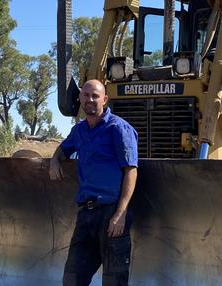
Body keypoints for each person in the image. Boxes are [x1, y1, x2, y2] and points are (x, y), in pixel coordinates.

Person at [49, 79, 138, 286]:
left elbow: (131, 171)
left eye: (95, 96)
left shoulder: (119, 128)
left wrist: (121, 213)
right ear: (80, 98)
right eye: (86, 95)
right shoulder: (79, 131)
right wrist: (54, 160)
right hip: (86, 214)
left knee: (113, 281)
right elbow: (64, 149)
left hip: (112, 214)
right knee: (72, 279)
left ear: (104, 100)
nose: (90, 99)